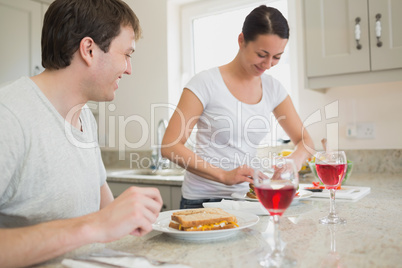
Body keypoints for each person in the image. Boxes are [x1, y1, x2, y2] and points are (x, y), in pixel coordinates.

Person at [0, 0, 163, 267]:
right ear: (88, 49)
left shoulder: (84, 115)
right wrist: (92, 227)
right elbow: (96, 223)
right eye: (127, 54)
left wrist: (132, 217)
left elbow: (103, 208)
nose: (129, 68)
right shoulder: (8, 116)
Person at [161, 5, 314, 209]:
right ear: (241, 40)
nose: (268, 64)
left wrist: (292, 164)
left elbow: (306, 142)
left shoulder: (273, 89)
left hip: (247, 202)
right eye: (262, 54)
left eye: (277, 57)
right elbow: (170, 146)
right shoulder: (205, 83)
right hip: (201, 201)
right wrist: (223, 175)